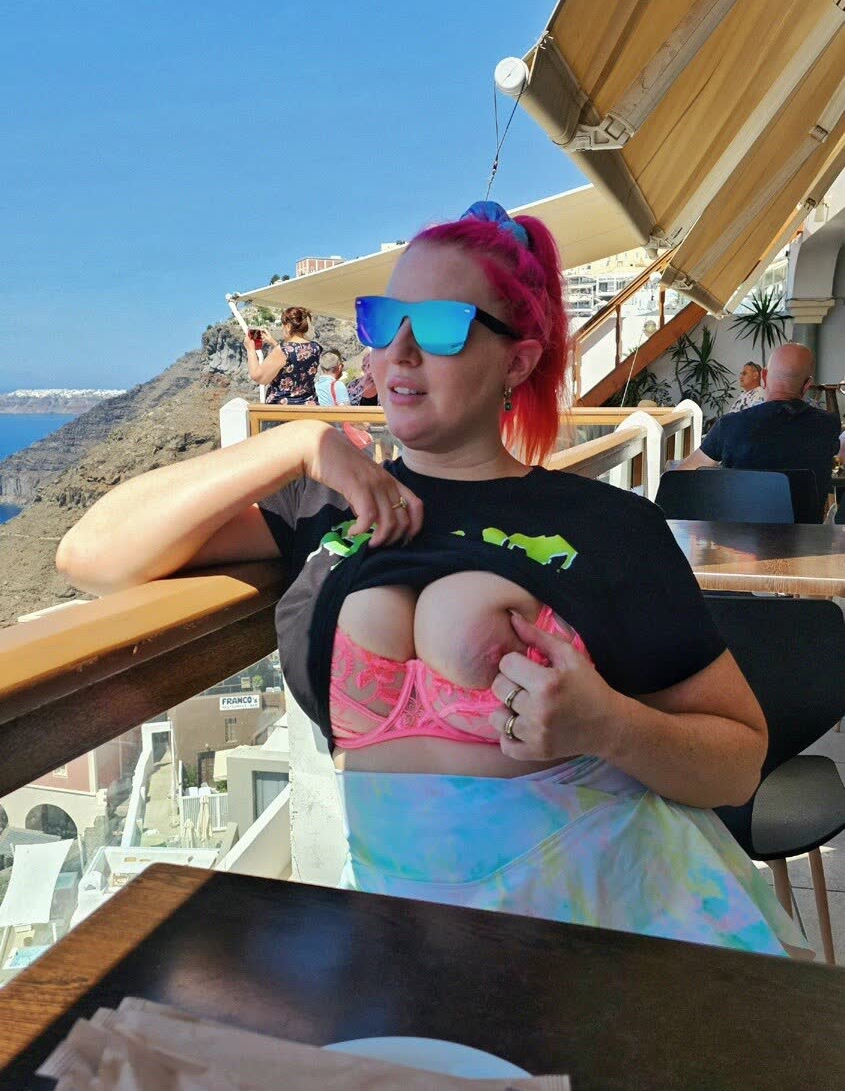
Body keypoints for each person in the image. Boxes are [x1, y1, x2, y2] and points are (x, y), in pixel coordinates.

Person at [55, 202, 805, 959]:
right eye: (384, 321)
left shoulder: (607, 525)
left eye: (443, 327)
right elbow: (91, 556)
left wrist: (607, 726)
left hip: (614, 924)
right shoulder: (324, 505)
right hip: (411, 943)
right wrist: (296, 445)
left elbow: (738, 764)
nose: (401, 352)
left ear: (517, 362)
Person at [676, 342, 841, 517]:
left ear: (764, 376)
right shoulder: (828, 424)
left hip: (734, 532)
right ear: (807, 384)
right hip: (805, 532)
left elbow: (681, 478)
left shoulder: (730, 424)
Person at [244, 306, 321, 405]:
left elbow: (259, 377)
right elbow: (293, 357)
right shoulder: (315, 347)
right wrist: (274, 343)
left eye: (282, 326)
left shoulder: (283, 350)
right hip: (309, 405)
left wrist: (250, 349)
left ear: (288, 326)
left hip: (283, 408)